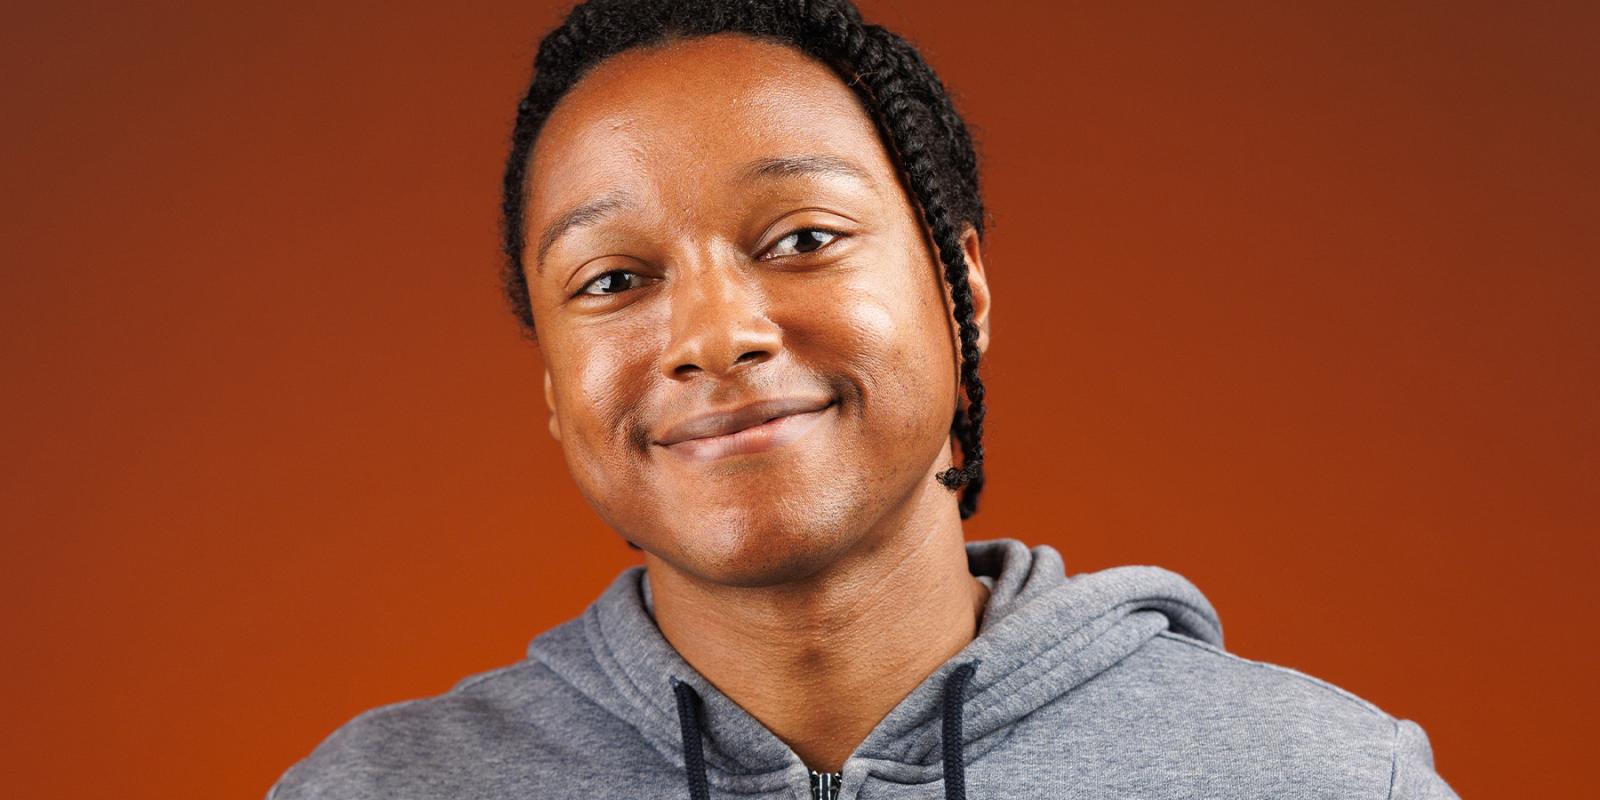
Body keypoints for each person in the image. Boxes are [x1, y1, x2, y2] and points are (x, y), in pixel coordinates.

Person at [268, 1, 1459, 797]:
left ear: (961, 288)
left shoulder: (1324, 777)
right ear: (552, 384)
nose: (714, 334)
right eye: (614, 280)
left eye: (801, 237)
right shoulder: (375, 790)